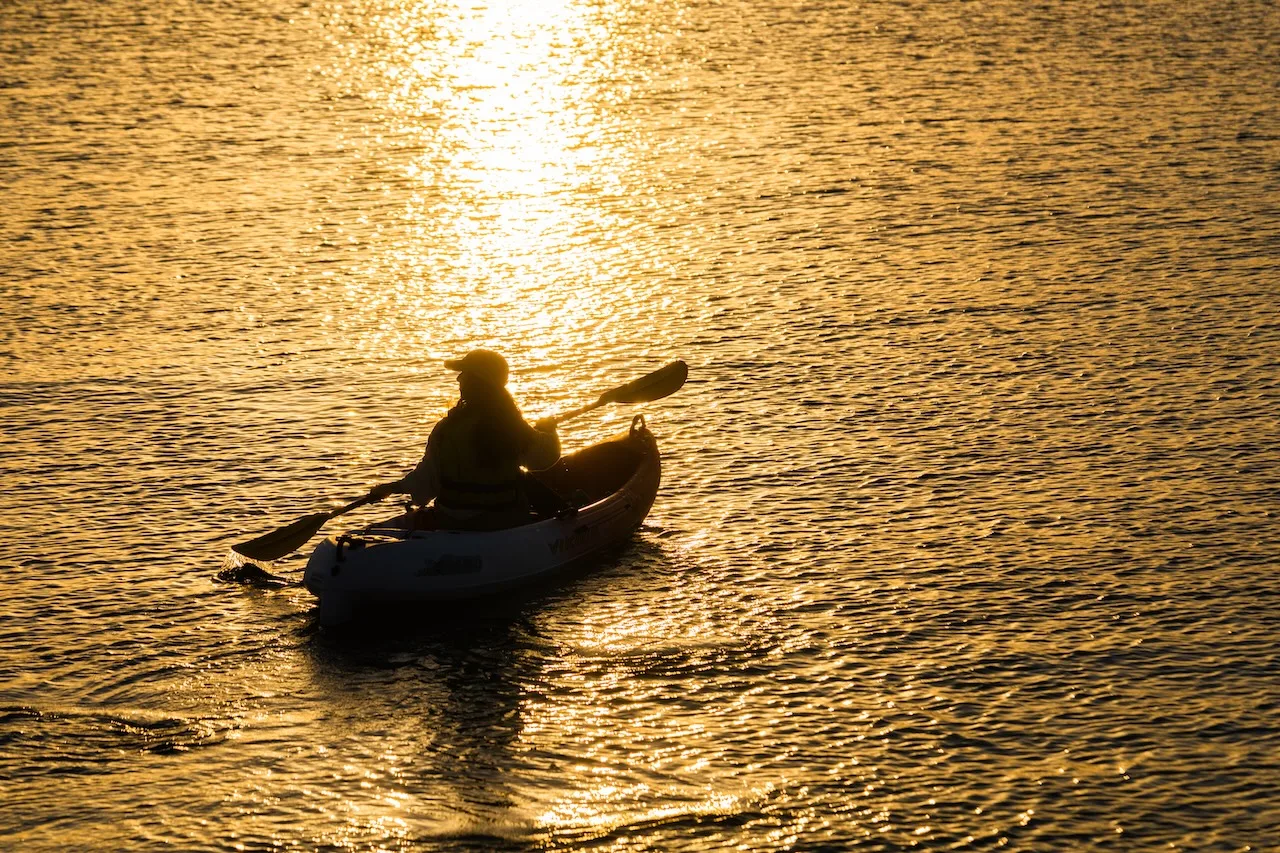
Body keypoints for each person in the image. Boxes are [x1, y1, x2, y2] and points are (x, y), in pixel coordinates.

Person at [367, 350, 562, 530]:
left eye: (465, 374)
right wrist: (549, 431)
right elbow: (545, 457)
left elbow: (426, 480)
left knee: (523, 479)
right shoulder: (511, 426)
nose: (459, 378)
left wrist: (394, 487)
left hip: (450, 520)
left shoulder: (446, 428)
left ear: (478, 383)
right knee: (524, 479)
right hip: (501, 522)